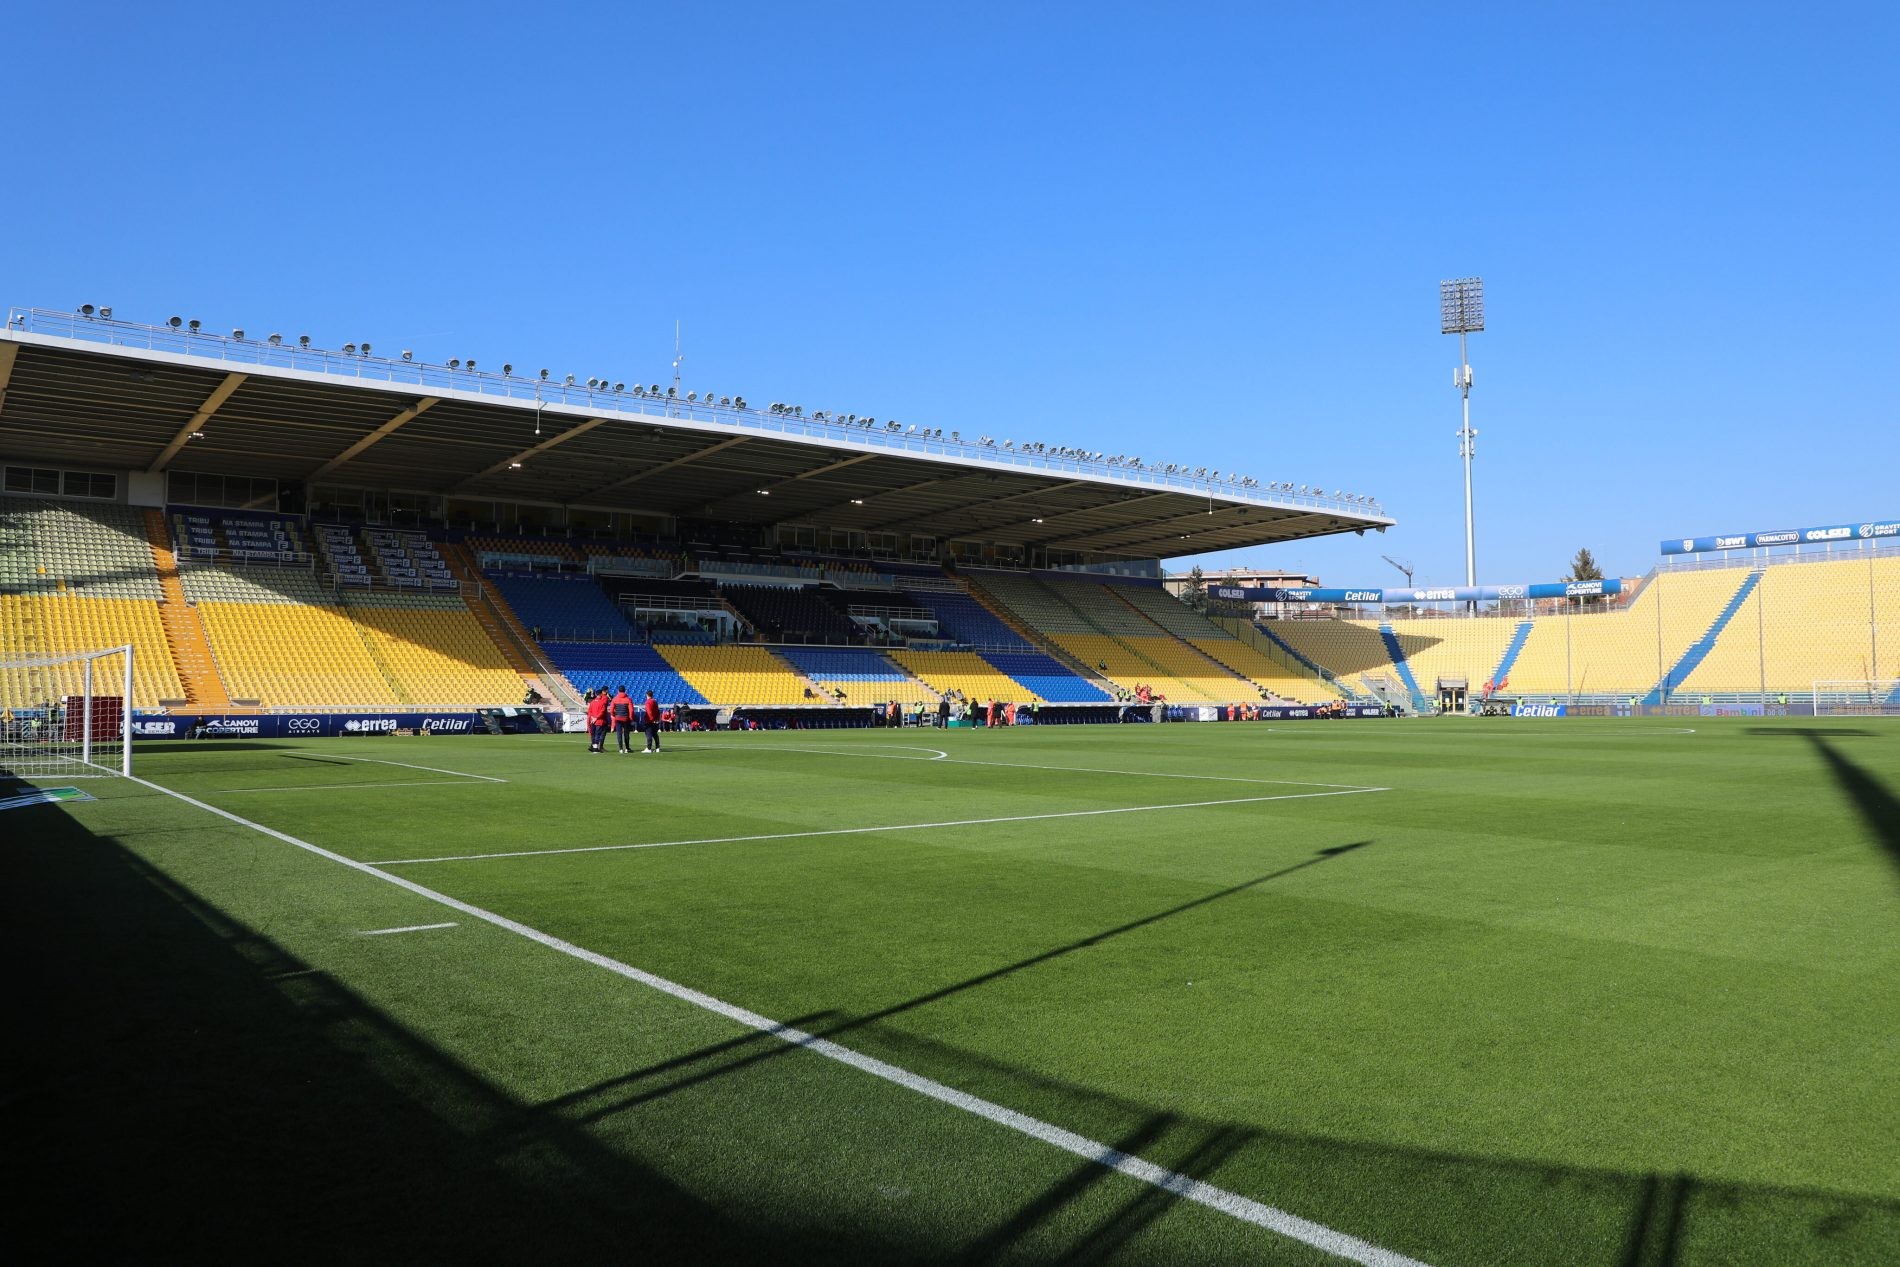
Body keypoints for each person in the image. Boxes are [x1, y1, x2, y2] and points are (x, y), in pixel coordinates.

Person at [609, 684, 636, 754]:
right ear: (625, 691)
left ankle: (621, 748)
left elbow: (611, 709)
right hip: (626, 718)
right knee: (626, 734)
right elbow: (631, 710)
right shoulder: (628, 699)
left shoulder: (614, 699)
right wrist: (631, 718)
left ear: (618, 691)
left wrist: (613, 715)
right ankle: (627, 748)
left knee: (619, 733)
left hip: (618, 718)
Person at [585, 687, 609, 752]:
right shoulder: (604, 699)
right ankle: (598, 747)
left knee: (594, 733)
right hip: (601, 719)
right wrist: (596, 717)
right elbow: (603, 710)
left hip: (593, 719)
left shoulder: (592, 702)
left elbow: (589, 711)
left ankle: (593, 746)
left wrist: (593, 717)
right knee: (601, 733)